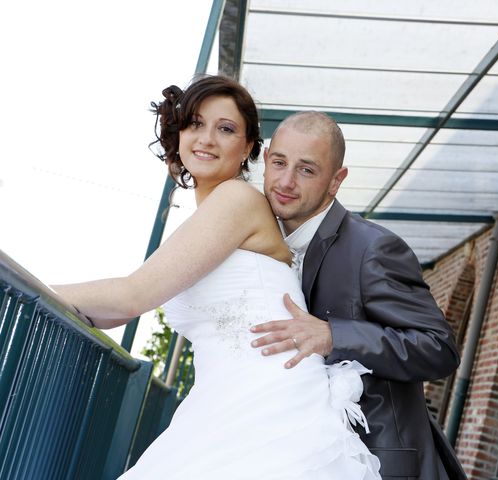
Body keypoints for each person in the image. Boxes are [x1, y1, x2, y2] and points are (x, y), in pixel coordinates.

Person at [52, 75, 382, 479]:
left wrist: (35, 290)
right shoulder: (213, 217)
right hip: (232, 403)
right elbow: (115, 313)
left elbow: (131, 297)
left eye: (225, 129)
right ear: (179, 136)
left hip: (266, 409)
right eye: (195, 124)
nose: (207, 138)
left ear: (247, 149)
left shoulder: (237, 200)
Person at [252, 111, 467, 479]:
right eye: (279, 163)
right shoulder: (254, 241)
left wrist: (334, 336)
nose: (285, 181)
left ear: (336, 181)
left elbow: (439, 348)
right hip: (288, 451)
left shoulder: (374, 248)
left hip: (375, 460)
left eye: (307, 170)